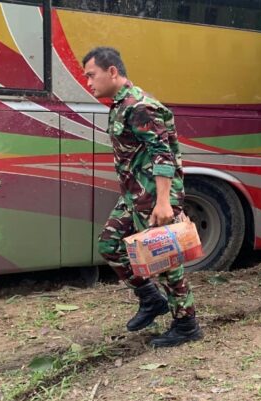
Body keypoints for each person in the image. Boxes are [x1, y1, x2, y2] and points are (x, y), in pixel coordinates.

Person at [84, 47, 202, 347]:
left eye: (91, 75)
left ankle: (186, 324)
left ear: (112, 72)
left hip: (154, 197)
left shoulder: (140, 107)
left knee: (164, 260)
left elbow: (162, 154)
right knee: (109, 245)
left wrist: (164, 202)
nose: (88, 82)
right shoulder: (121, 105)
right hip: (135, 196)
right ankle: (151, 300)